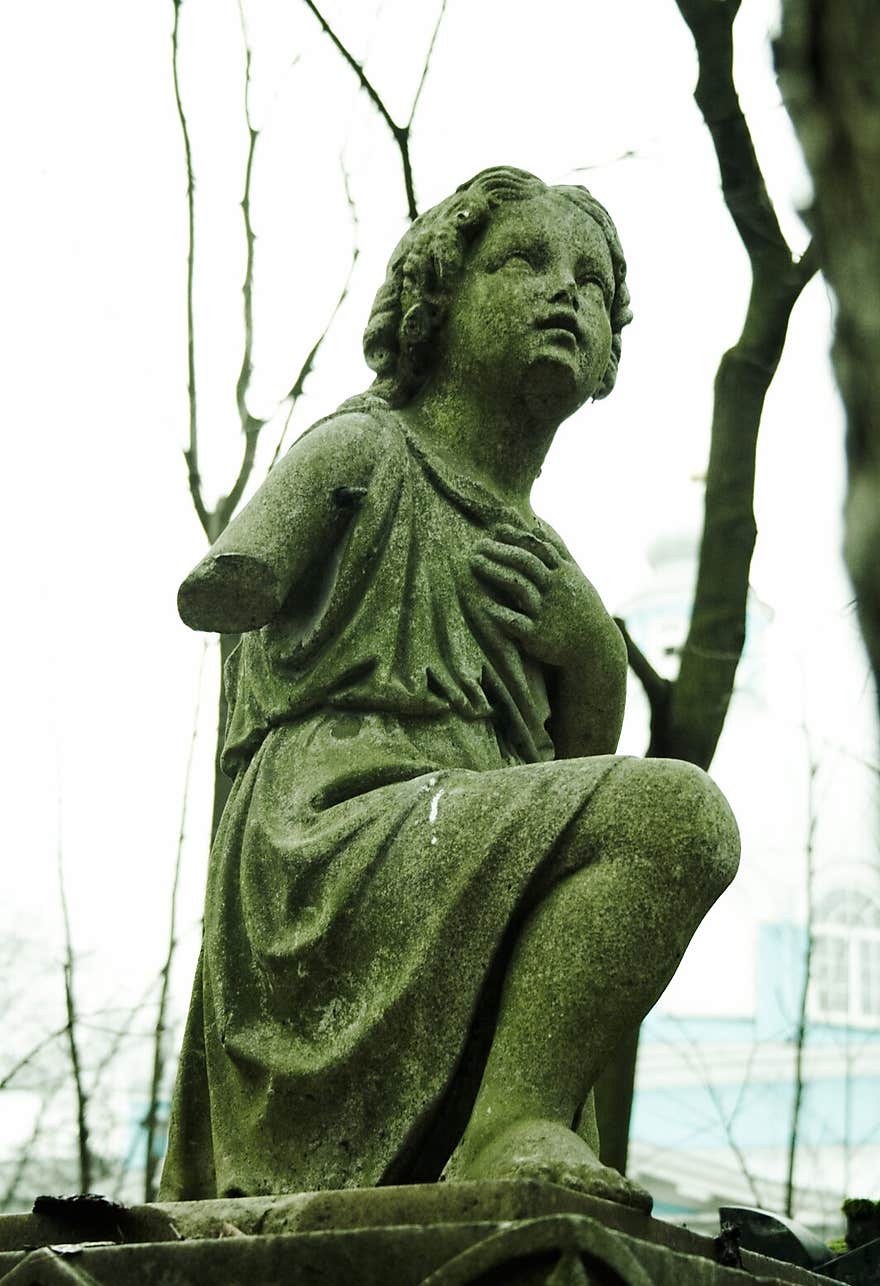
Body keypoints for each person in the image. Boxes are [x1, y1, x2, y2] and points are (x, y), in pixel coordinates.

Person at [159, 167, 740, 1210]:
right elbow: (230, 585)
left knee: (665, 824)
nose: (568, 292)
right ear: (435, 298)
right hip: (326, 833)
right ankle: (507, 1125)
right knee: (677, 813)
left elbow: (573, 771)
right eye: (523, 261)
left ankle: (508, 1118)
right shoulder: (363, 449)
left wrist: (592, 653)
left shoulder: (547, 565)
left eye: (595, 283)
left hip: (461, 837)